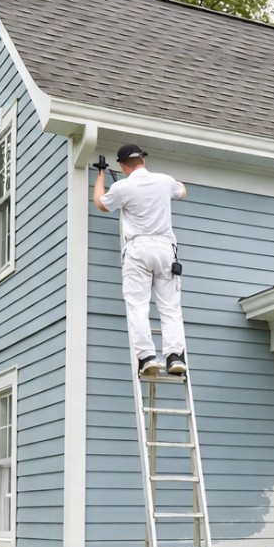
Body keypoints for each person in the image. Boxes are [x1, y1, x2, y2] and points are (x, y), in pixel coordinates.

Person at [94, 144, 189, 376]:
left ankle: (147, 357)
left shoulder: (122, 187)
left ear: (123, 166)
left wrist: (100, 177)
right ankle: (175, 356)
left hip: (138, 249)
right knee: (170, 308)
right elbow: (182, 191)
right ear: (143, 161)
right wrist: (174, 183)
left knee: (138, 306)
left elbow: (101, 204)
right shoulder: (164, 181)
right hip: (165, 248)